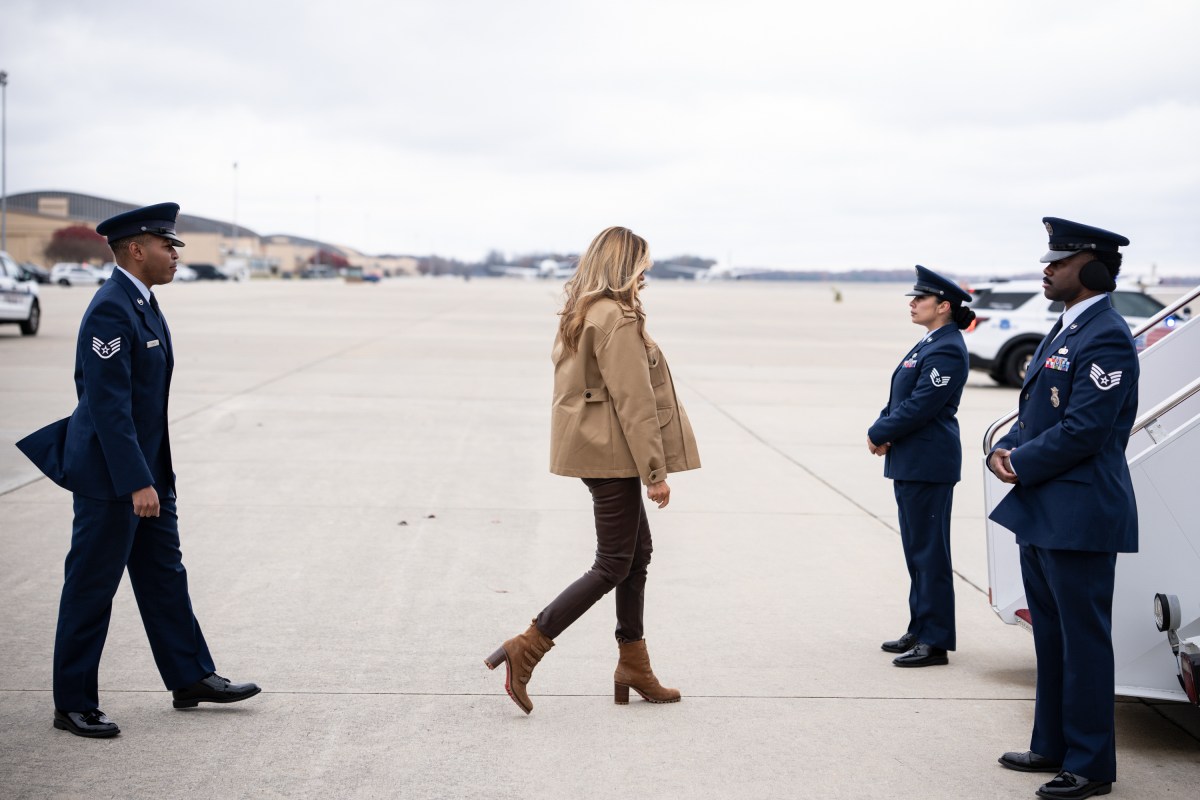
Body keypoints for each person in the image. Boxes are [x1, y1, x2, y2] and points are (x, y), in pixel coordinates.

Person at [16, 203, 260, 739]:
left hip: (149, 476)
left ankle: (190, 676)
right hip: (114, 481)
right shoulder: (111, 309)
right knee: (91, 587)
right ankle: (73, 703)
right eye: (166, 246)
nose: (174, 255)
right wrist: (136, 481)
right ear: (135, 249)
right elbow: (107, 406)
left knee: (164, 579)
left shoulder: (143, 304)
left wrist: (155, 478)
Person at [484, 226, 701, 714]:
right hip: (613, 454)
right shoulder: (615, 318)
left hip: (598, 449)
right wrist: (655, 472)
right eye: (643, 263)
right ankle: (529, 645)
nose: (647, 273)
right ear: (625, 264)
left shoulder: (584, 309)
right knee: (613, 563)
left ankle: (634, 665)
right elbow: (634, 400)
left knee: (635, 555)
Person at [989, 217, 1138, 800]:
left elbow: (1085, 429)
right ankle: (1051, 743)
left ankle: (1092, 764)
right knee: (1049, 638)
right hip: (1044, 509)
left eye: (1060, 260)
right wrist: (1009, 446)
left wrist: (1021, 463)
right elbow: (1041, 412)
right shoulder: (1066, 328)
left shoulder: (1106, 333)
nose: (1046, 268)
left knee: (1083, 642)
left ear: (1095, 268)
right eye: (1047, 259)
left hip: (1079, 513)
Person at [868, 265, 974, 668]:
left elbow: (923, 404)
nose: (912, 304)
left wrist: (880, 430)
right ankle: (920, 626)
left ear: (943, 306)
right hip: (913, 460)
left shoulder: (946, 347)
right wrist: (885, 427)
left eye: (920, 299)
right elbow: (902, 397)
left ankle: (936, 640)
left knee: (930, 553)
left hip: (929, 461)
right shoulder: (929, 342)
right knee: (917, 551)